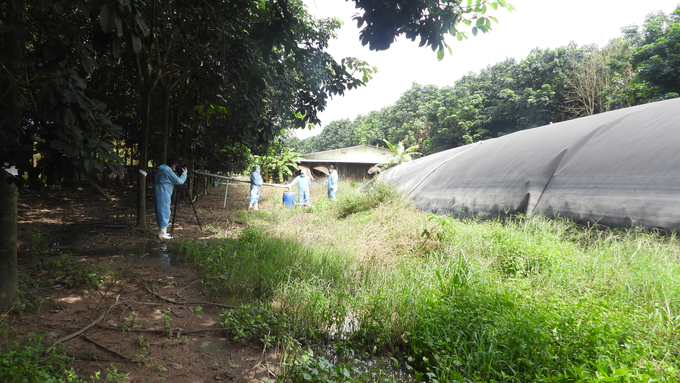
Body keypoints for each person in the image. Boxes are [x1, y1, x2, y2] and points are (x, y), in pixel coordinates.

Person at [155, 160, 187, 239]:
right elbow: (179, 181)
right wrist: (184, 174)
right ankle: (162, 234)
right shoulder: (168, 171)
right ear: (173, 166)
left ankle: (162, 231)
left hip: (159, 191)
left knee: (161, 211)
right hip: (164, 193)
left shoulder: (162, 170)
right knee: (164, 211)